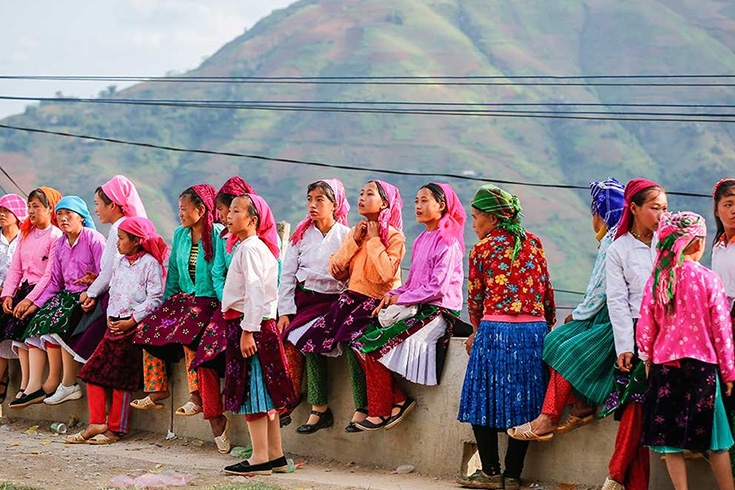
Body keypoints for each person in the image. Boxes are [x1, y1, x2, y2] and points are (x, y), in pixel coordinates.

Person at [507, 178, 625, 440]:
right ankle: (581, 405)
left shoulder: (613, 242)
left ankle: (547, 419)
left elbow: (600, 288)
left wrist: (580, 314)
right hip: (602, 312)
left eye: (593, 212)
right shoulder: (615, 238)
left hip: (613, 317)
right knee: (554, 340)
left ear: (601, 213)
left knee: (567, 349)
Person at [457, 184, 555, 490]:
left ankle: (489, 474)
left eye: (476, 218)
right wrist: (545, 326)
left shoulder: (482, 249)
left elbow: (475, 298)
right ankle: (513, 475)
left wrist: (476, 329)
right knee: (525, 404)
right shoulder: (534, 243)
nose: (473, 224)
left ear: (493, 218)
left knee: (480, 402)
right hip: (533, 333)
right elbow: (547, 292)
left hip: (495, 332)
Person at [353, 183, 466, 431]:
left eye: (424, 200)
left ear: (442, 205)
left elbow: (437, 288)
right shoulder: (422, 239)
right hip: (417, 304)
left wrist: (401, 299)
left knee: (372, 346)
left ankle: (381, 411)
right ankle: (398, 400)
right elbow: (414, 282)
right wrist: (392, 294)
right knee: (359, 342)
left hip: (438, 311)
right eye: (416, 200)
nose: (418, 206)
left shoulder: (449, 242)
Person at [295, 180, 404, 432]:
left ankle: (376, 404)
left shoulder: (394, 237)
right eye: (361, 193)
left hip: (375, 303)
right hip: (351, 300)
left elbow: (387, 274)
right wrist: (355, 241)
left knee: (356, 343)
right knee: (311, 340)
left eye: (369, 194)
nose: (362, 198)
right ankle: (321, 407)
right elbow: (335, 270)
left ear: (385, 203)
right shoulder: (356, 232)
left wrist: (376, 241)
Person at [638, 211, 735, 490]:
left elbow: (646, 326)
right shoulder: (708, 279)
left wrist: (646, 357)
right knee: (717, 440)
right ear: (697, 244)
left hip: (666, 367)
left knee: (669, 440)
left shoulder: (658, 279)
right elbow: (722, 331)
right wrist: (728, 371)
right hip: (703, 369)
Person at [67, 217, 167, 444]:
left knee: (122, 380)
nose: (118, 243)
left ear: (136, 241)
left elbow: (154, 299)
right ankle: (96, 422)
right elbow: (114, 290)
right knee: (92, 372)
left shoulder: (150, 264)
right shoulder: (120, 262)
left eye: (122, 239)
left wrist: (132, 320)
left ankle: (115, 429)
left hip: (131, 329)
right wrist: (111, 318)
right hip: (113, 326)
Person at [598, 178, 667, 490]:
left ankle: (617, 475)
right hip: (639, 334)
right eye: (654, 208)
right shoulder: (619, 249)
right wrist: (625, 346)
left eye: (664, 208)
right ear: (635, 208)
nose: (661, 215)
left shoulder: (668, 243)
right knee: (635, 404)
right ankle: (627, 479)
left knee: (638, 407)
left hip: (670, 334)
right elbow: (617, 301)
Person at [132, 185, 225, 416]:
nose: (180, 214)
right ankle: (156, 388)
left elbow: (222, 273)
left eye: (184, 209)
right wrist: (166, 306)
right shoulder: (180, 235)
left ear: (201, 209)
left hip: (209, 300)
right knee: (148, 327)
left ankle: (196, 395)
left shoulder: (218, 235)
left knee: (188, 333)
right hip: (184, 299)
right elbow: (173, 272)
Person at [222, 194, 294, 476]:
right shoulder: (254, 248)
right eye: (229, 210)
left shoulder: (250, 249)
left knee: (251, 393)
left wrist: (247, 331)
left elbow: (254, 292)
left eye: (236, 210)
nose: (229, 215)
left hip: (250, 326)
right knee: (267, 393)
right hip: (260, 325)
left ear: (252, 220)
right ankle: (275, 455)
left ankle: (260, 457)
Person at [17, 196, 106, 407]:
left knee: (59, 321)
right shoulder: (60, 244)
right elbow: (55, 282)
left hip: (90, 295)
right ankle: (54, 383)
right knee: (39, 322)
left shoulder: (94, 239)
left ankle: (66, 383)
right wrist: (35, 305)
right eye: (60, 214)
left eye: (69, 214)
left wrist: (92, 289)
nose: (63, 218)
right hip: (67, 294)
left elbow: (106, 273)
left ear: (81, 218)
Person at [277, 179, 351, 435]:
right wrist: (285, 312)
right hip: (303, 301)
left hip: (331, 303)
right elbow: (287, 274)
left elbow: (351, 277)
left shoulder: (346, 236)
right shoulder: (301, 234)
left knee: (309, 339)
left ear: (335, 204)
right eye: (310, 199)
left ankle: (318, 408)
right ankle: (288, 398)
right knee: (285, 339)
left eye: (320, 200)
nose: (313, 205)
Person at [191, 176, 255, 453]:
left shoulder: (260, 242)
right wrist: (226, 299)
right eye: (221, 212)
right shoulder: (223, 238)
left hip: (253, 312)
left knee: (248, 363)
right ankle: (215, 418)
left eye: (228, 211)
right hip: (227, 308)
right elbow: (218, 272)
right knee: (204, 358)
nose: (222, 217)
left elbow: (269, 281)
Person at [1, 188, 62, 408]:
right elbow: (16, 269)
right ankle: (26, 384)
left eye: (37, 206)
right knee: (15, 330)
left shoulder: (55, 236)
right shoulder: (25, 235)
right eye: (29, 206)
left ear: (49, 209)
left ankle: (34, 385)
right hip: (24, 290)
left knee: (30, 327)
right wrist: (8, 295)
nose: (31, 211)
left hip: (43, 292)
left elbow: (50, 274)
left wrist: (30, 300)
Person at [711, 178, 735, 476]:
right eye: (728, 205)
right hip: (721, 327)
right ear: (717, 210)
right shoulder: (718, 247)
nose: (734, 211)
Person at [0, 193, 27, 403]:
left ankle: (1, 377)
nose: (1, 214)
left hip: (18, 294)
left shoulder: (24, 239)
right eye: (0, 210)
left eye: (6, 210)